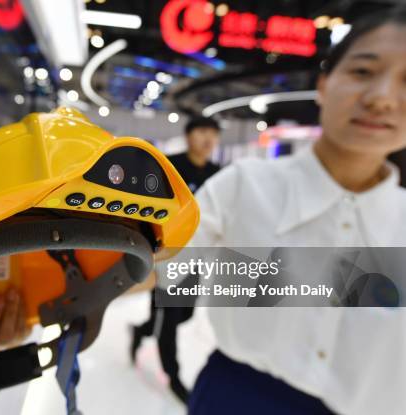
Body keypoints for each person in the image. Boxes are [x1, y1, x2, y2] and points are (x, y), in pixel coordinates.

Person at [186, 8, 406, 414]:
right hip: (234, 399)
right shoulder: (243, 185)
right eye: (362, 72)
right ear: (323, 84)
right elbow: (156, 263)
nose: (381, 98)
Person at [130, 116, 221, 404]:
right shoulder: (169, 167)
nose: (208, 139)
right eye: (202, 131)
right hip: (166, 256)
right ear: (189, 135)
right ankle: (173, 375)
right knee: (167, 320)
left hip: (195, 259)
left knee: (185, 314)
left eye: (213, 134)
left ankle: (139, 330)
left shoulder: (218, 174)